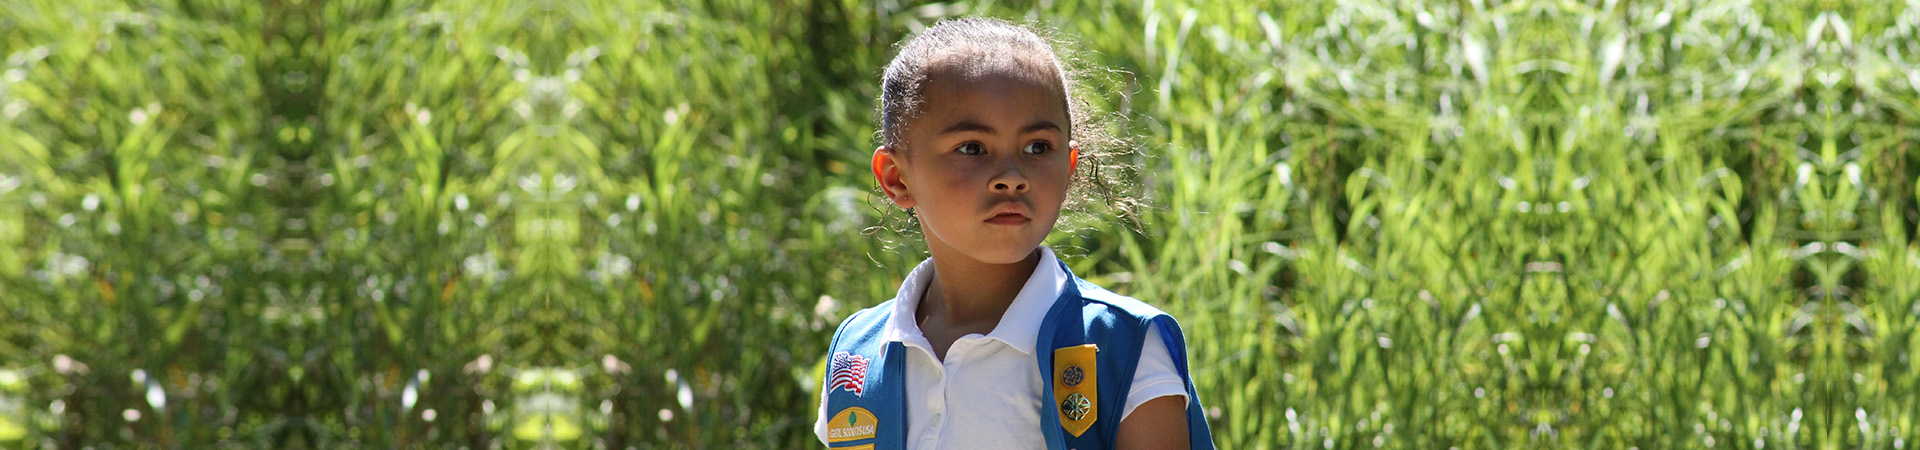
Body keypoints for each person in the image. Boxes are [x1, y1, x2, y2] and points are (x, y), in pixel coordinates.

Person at [814, 17, 1213, 450]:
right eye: (972, 148)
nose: (1011, 177)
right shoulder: (857, 354)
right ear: (896, 178)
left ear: (1069, 168)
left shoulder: (1123, 345)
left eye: (1038, 147)